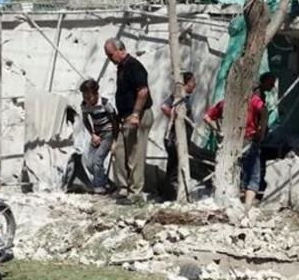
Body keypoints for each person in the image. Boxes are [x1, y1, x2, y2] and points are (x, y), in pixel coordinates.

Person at [203, 72, 276, 206]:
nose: (272, 86)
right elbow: (264, 111)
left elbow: (207, 117)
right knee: (253, 174)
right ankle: (247, 205)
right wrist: (261, 131)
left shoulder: (226, 102)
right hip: (248, 140)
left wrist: (218, 131)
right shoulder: (253, 100)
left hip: (229, 144)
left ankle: (231, 202)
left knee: (234, 172)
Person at [106, 38, 153, 202]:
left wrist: (135, 114)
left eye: (111, 54)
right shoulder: (121, 67)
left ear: (120, 49)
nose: (109, 58)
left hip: (137, 115)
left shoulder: (134, 65)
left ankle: (136, 193)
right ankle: (123, 189)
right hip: (125, 117)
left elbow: (143, 91)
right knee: (119, 152)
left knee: (135, 155)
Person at [160, 71, 197, 199]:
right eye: (193, 81)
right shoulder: (178, 97)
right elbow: (164, 107)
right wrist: (175, 116)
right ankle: (169, 195)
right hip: (174, 139)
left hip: (181, 140)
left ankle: (171, 194)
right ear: (186, 83)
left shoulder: (185, 97)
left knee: (175, 166)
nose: (195, 84)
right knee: (174, 168)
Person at [79, 78, 118, 193]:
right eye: (84, 97)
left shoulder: (106, 104)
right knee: (89, 162)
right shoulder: (85, 105)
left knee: (98, 159)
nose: (87, 100)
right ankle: (107, 183)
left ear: (96, 94)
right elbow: (85, 120)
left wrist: (115, 140)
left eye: (89, 97)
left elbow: (115, 121)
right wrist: (92, 134)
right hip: (97, 134)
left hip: (109, 133)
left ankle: (99, 188)